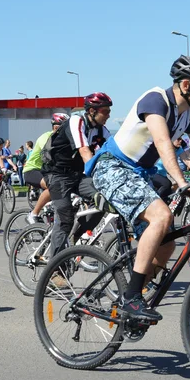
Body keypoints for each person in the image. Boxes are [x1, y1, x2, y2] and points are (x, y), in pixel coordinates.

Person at [87, 55, 190, 322]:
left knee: (167, 243)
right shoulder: (155, 101)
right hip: (113, 167)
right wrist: (185, 184)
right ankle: (132, 299)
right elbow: (163, 143)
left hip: (141, 174)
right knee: (161, 216)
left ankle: (134, 295)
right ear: (186, 84)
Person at [42, 93, 112, 259]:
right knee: (65, 220)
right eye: (106, 111)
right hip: (57, 174)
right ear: (92, 111)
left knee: (105, 197)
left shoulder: (101, 129)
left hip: (76, 175)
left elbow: (115, 151)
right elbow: (84, 151)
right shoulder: (76, 121)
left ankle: (78, 235)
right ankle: (56, 270)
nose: (109, 115)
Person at [23, 113, 70, 224]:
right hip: (32, 170)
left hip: (46, 171)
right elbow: (51, 155)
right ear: (56, 126)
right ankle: (33, 214)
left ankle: (51, 212)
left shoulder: (64, 139)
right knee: (53, 185)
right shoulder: (46, 137)